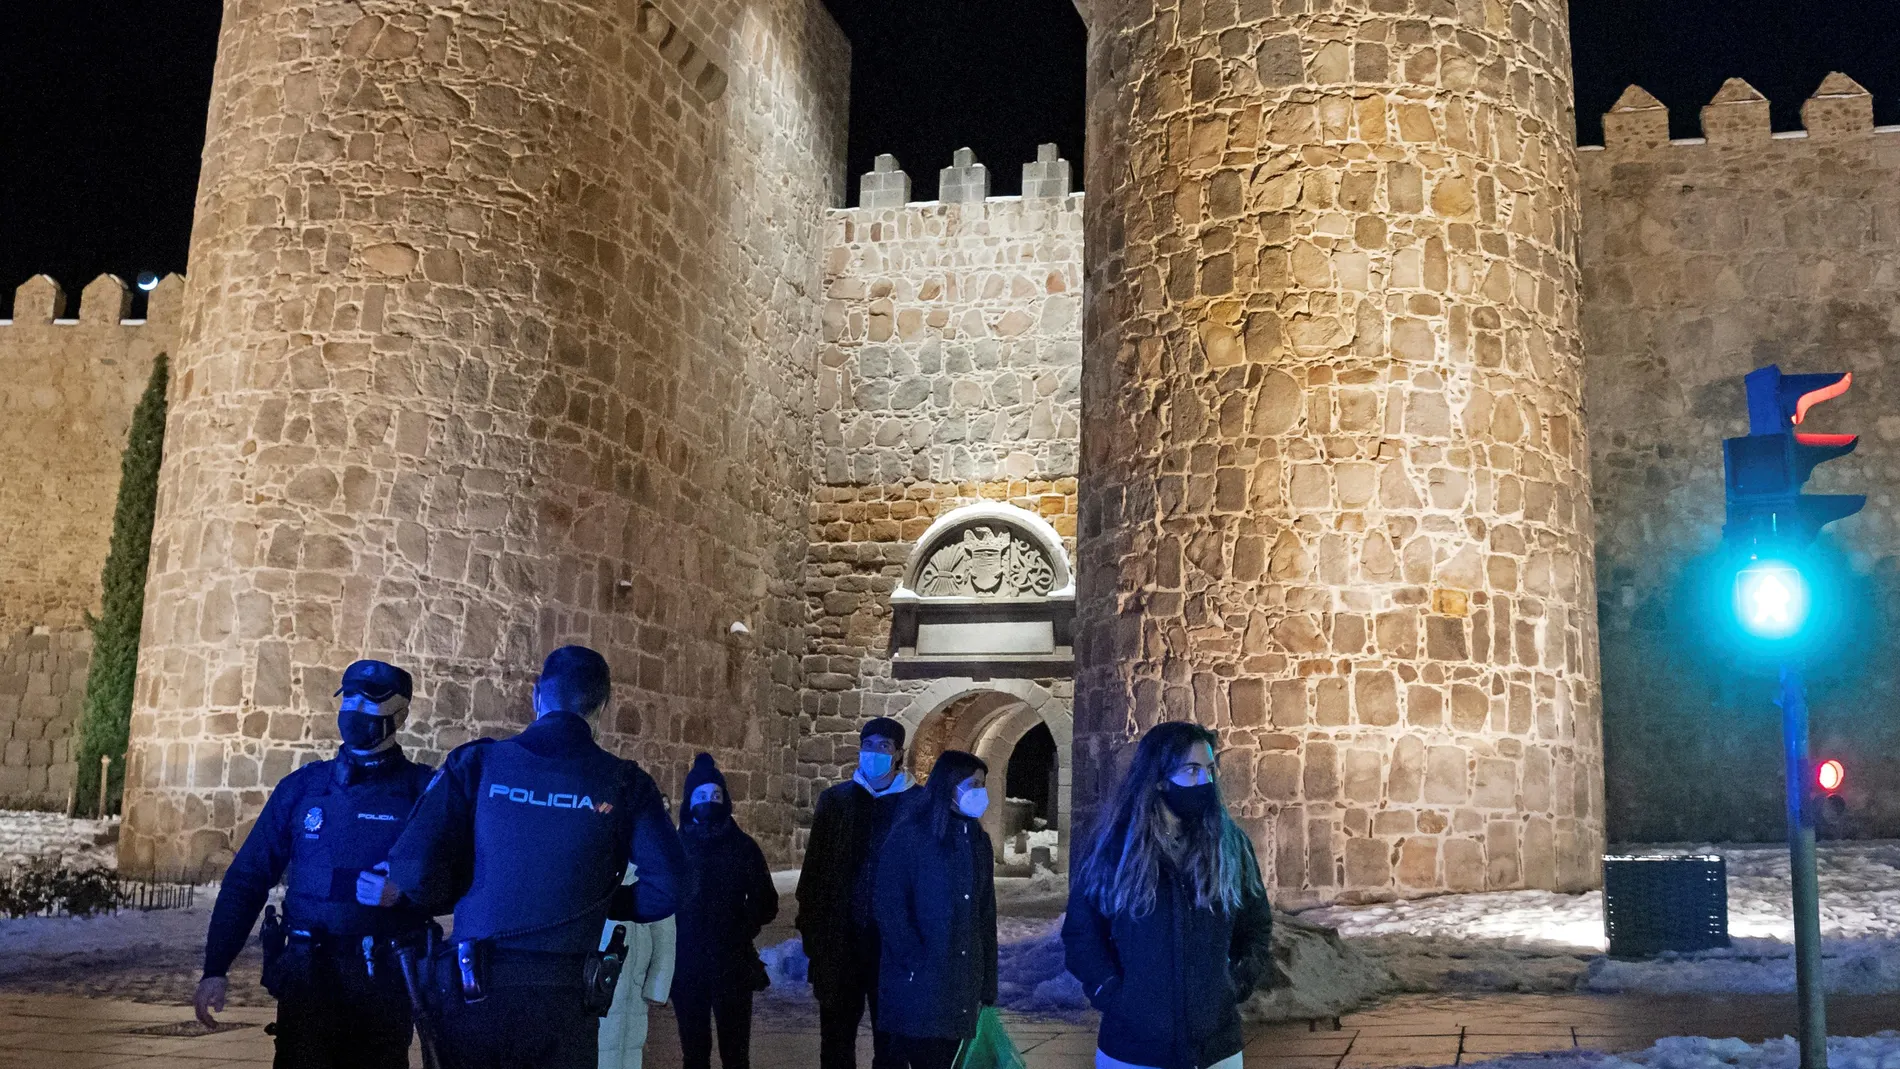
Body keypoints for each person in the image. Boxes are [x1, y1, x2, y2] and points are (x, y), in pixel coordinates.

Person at [385, 645, 688, 1069]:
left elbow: (412, 870)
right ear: (604, 705)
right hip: (566, 1003)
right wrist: (608, 900)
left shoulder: (478, 762)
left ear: (536, 695)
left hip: (476, 993)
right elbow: (673, 885)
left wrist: (468, 890)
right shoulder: (625, 783)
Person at [191, 659, 434, 1069]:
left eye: (370, 700)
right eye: (349, 697)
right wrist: (216, 967)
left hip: (382, 981)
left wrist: (405, 895)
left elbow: (459, 880)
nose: (355, 709)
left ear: (401, 715)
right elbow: (248, 879)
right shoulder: (303, 788)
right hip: (306, 975)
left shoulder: (423, 791)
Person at [1062, 722, 1274, 1069]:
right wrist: (1112, 994)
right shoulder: (1113, 851)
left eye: (1209, 770)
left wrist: (1236, 982)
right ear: (1159, 778)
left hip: (1216, 1048)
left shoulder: (1230, 846)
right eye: (1191, 771)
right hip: (1133, 1049)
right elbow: (1082, 935)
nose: (1204, 782)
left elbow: (1255, 925)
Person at [796, 717, 921, 1069]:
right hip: (840, 944)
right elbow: (814, 873)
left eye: (884, 747)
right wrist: (813, 936)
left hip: (893, 949)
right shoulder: (836, 802)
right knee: (835, 1042)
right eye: (869, 745)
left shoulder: (918, 805)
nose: (875, 753)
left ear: (899, 754)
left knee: (893, 1045)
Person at [873, 750, 998, 1069]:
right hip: (921, 988)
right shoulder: (911, 836)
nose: (979, 792)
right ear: (950, 785)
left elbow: (985, 916)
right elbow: (890, 906)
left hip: (962, 988)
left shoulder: (978, 842)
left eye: (982, 785)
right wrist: (915, 960)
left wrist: (987, 982)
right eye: (973, 784)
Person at [671, 753, 779, 1069]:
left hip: (731, 963)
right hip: (687, 964)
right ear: (689, 800)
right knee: (694, 1052)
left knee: (735, 1053)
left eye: (715, 795)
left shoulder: (742, 847)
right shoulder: (676, 848)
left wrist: (740, 927)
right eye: (702, 796)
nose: (709, 802)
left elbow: (766, 901)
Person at [598, 861, 679, 1069]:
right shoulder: (591, 866)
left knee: (629, 1045)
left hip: (634, 984)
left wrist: (657, 986)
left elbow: (664, 934)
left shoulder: (645, 871)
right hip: (595, 981)